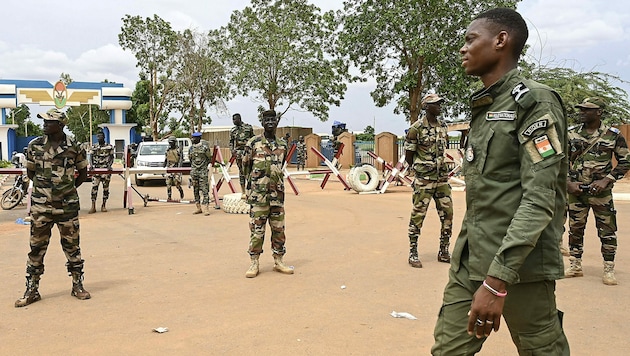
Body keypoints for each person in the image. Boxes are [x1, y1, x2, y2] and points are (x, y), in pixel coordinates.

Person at [431, 8, 570, 354]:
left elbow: (540, 200)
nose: (463, 49)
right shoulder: (485, 105)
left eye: (470, 39)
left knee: (541, 349)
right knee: (447, 350)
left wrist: (496, 282)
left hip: (518, 268)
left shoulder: (535, 102)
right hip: (470, 259)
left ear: (501, 40)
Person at [15, 108, 91, 307]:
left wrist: (65, 192)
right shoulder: (34, 146)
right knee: (36, 248)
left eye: (49, 122)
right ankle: (32, 289)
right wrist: (47, 193)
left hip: (67, 207)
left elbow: (83, 173)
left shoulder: (74, 146)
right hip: (41, 207)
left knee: (72, 247)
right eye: (44, 121)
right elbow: (31, 174)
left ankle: (77, 285)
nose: (44, 124)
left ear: (60, 124)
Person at [565, 97, 630, 285]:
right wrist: (568, 182)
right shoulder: (571, 134)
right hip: (576, 191)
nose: (582, 112)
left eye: (587, 109)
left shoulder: (612, 135)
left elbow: (625, 160)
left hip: (600, 193)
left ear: (599, 112)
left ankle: (609, 268)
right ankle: (575, 264)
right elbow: (561, 161)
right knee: (575, 229)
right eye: (581, 109)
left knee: (607, 230)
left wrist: (607, 179)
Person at [404, 93, 453, 268]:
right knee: (418, 215)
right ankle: (413, 251)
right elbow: (409, 155)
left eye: (440, 103)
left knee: (448, 215)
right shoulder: (416, 128)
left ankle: (444, 250)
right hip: (424, 180)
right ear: (426, 107)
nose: (439, 106)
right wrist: (419, 170)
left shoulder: (443, 126)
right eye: (436, 104)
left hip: (442, 179)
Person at [242, 109, 294, 278]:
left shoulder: (282, 145)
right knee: (257, 231)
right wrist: (247, 191)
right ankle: (254, 262)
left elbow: (281, 165)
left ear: (277, 122)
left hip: (277, 196)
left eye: (273, 119)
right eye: (267, 120)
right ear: (262, 122)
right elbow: (246, 168)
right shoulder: (253, 143)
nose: (270, 122)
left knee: (278, 230)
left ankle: (278, 260)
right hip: (258, 196)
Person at [88, 131, 114, 213]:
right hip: (96, 170)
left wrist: (110, 165)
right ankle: (93, 206)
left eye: (101, 136)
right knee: (94, 188)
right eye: (98, 136)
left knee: (105, 188)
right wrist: (91, 166)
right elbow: (91, 157)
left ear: (104, 137)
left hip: (106, 170)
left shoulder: (109, 147)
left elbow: (112, 157)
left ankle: (104, 205)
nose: (99, 138)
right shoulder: (94, 147)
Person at [229, 113, 255, 194]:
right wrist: (232, 151)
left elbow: (253, 138)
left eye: (234, 119)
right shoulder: (233, 130)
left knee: (250, 171)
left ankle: (251, 190)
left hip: (248, 153)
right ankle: (243, 191)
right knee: (241, 172)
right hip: (238, 154)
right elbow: (231, 142)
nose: (233, 121)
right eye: (232, 119)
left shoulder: (248, 127)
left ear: (239, 119)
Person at [189, 131, 213, 215]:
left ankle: (206, 208)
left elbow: (209, 158)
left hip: (203, 172)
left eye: (194, 138)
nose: (192, 139)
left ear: (199, 138)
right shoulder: (191, 148)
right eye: (192, 138)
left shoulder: (205, 148)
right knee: (195, 190)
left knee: (204, 190)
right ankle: (198, 207)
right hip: (194, 172)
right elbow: (190, 159)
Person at [165, 136, 185, 200]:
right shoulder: (167, 150)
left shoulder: (178, 150)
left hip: (176, 168)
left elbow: (181, 160)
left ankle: (180, 190)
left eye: (172, 142)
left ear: (175, 142)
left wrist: (179, 169)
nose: (170, 144)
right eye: (169, 143)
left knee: (177, 183)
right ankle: (169, 197)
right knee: (168, 184)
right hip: (169, 168)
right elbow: (166, 159)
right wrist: (164, 167)